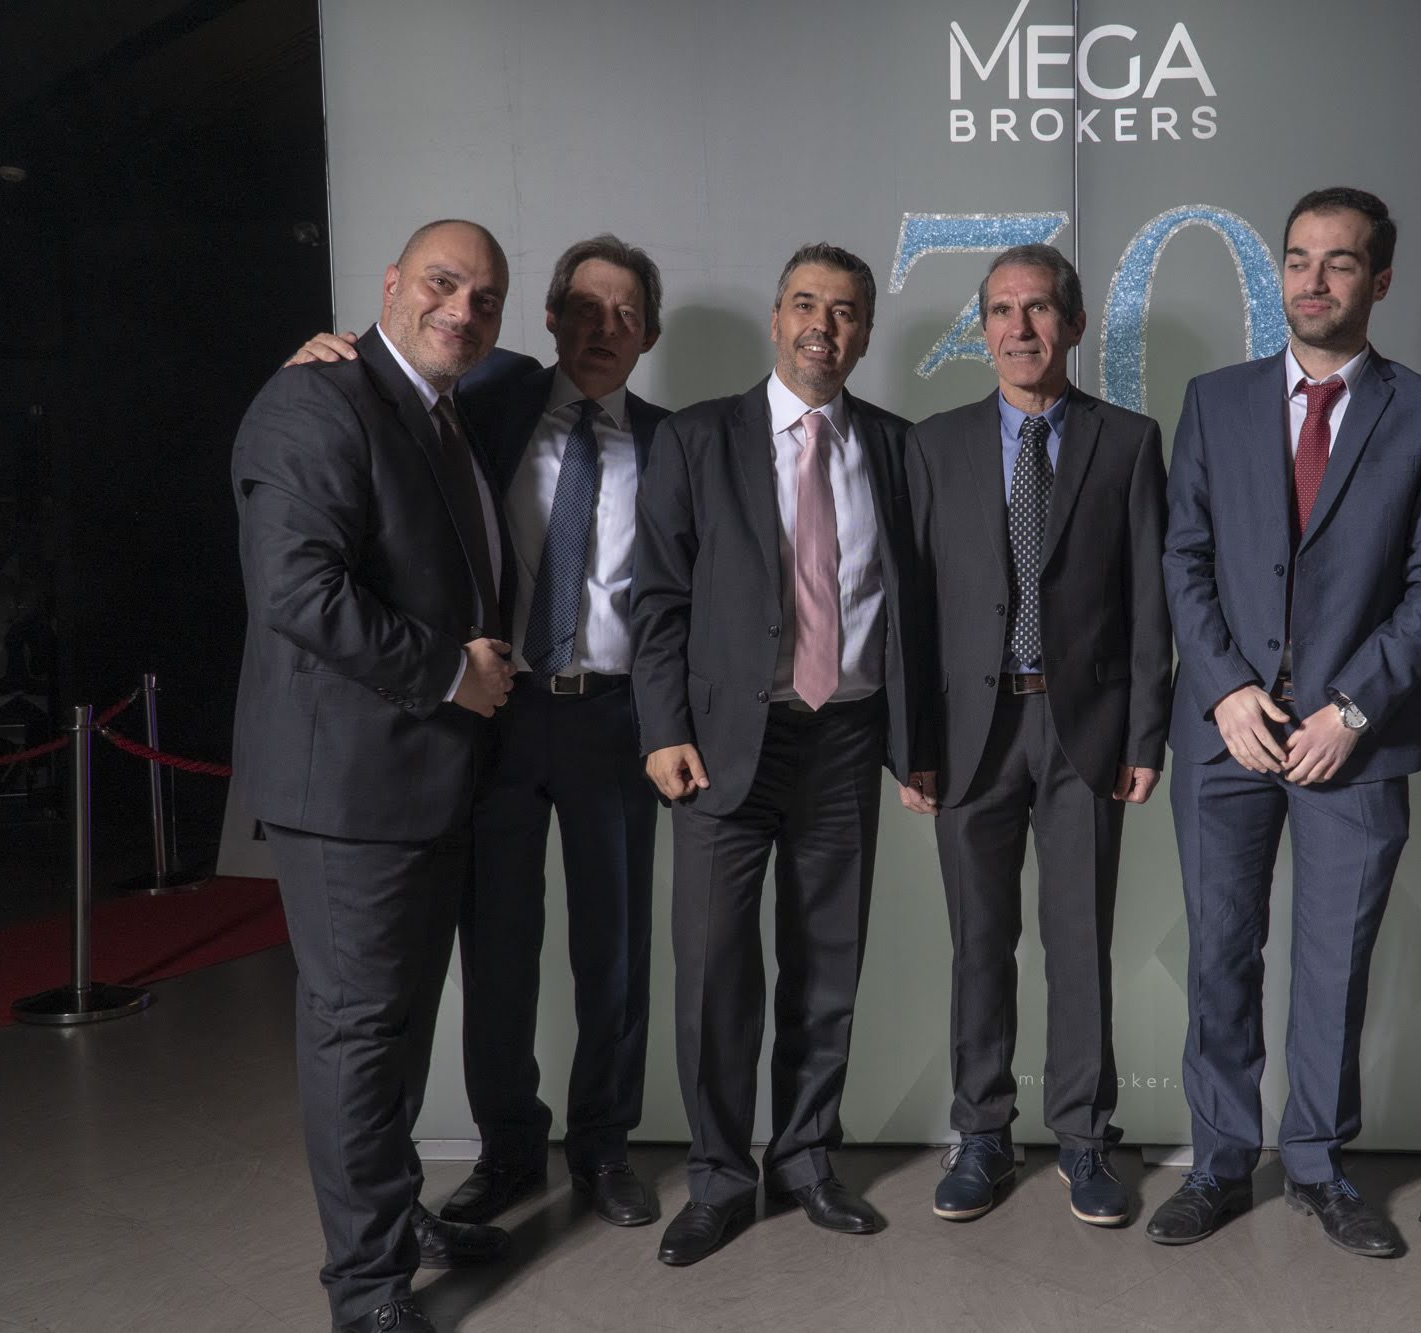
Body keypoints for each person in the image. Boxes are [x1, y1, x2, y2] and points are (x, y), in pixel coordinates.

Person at [288, 235, 673, 1230]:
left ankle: (603, 1146)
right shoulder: (485, 399)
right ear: (548, 318)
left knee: (614, 949)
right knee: (496, 945)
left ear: (649, 335)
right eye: (584, 308)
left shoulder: (676, 443)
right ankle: (508, 1149)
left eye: (626, 315)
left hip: (615, 718)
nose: (602, 329)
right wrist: (320, 351)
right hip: (495, 712)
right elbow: (386, 381)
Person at [1150, 188, 1421, 1254]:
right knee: (1219, 954)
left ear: (1379, 280)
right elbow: (1183, 555)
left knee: (1334, 963)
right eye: (1298, 258)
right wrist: (1221, 687)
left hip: (1357, 737)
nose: (1313, 279)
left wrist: (1353, 705)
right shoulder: (1215, 401)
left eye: (1339, 262)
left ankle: (1319, 1166)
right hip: (1227, 733)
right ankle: (1216, 1163)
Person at [231, 219, 517, 1333]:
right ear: (391, 283)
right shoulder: (316, 400)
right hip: (351, 789)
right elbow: (297, 593)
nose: (462, 310)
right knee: (357, 1037)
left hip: (427, 782)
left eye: (484, 298)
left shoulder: (442, 404)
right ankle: (367, 1292)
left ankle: (391, 1222)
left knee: (395, 1033)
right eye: (442, 283)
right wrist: (451, 673)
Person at [630, 242, 922, 1266]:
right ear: (776, 317)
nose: (821, 327)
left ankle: (804, 1158)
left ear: (865, 332)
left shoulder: (896, 447)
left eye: (843, 311)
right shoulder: (698, 437)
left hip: (845, 738)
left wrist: (915, 744)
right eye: (805, 304)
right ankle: (719, 1176)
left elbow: (914, 608)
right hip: (719, 745)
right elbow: (657, 597)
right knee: (714, 970)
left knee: (826, 965)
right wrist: (662, 727)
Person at [902, 244, 1170, 1227]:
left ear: (1075, 323)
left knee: (1078, 941)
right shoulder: (933, 446)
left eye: (1040, 308)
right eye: (1002, 312)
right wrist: (911, 741)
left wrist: (1145, 735)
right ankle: (980, 1133)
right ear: (982, 331)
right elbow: (911, 608)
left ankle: (1084, 1138)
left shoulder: (1127, 441)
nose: (1020, 328)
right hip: (969, 731)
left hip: (1082, 728)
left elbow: (1149, 601)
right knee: (979, 942)